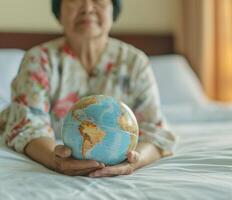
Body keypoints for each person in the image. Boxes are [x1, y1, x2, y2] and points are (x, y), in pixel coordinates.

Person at [0, 0, 176, 177]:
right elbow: (27, 127)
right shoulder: (38, 59)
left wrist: (134, 162)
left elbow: (156, 133)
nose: (88, 8)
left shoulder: (135, 62)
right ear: (59, 10)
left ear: (113, 9)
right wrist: (55, 160)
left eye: (98, 0)